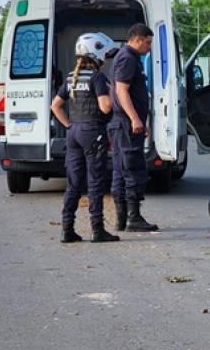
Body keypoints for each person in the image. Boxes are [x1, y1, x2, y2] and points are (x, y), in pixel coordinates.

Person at [49, 33, 120, 243]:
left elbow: (55, 106)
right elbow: (105, 106)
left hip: (74, 134)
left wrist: (69, 125)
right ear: (95, 53)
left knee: (73, 183)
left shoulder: (71, 77)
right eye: (105, 55)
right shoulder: (97, 77)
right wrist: (113, 92)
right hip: (92, 132)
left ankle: (67, 229)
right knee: (95, 182)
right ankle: (97, 230)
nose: (106, 60)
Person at [108, 23, 158, 232]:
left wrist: (138, 120)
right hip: (126, 124)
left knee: (121, 170)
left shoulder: (126, 57)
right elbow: (122, 91)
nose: (149, 47)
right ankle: (133, 218)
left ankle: (122, 220)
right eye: (147, 43)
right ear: (137, 39)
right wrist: (135, 119)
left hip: (123, 124)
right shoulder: (128, 58)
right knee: (133, 170)